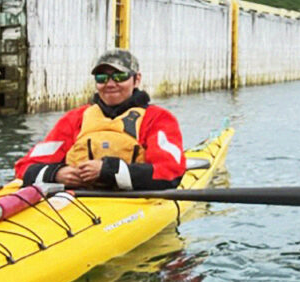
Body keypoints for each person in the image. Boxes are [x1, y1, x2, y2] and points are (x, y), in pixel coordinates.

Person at [14, 49, 186, 191]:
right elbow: (24, 167)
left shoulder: (158, 119)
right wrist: (56, 174)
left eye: (119, 77)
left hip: (133, 202)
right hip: (79, 201)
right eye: (102, 78)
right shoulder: (75, 119)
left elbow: (170, 173)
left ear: (136, 79)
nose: (110, 84)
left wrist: (107, 171)